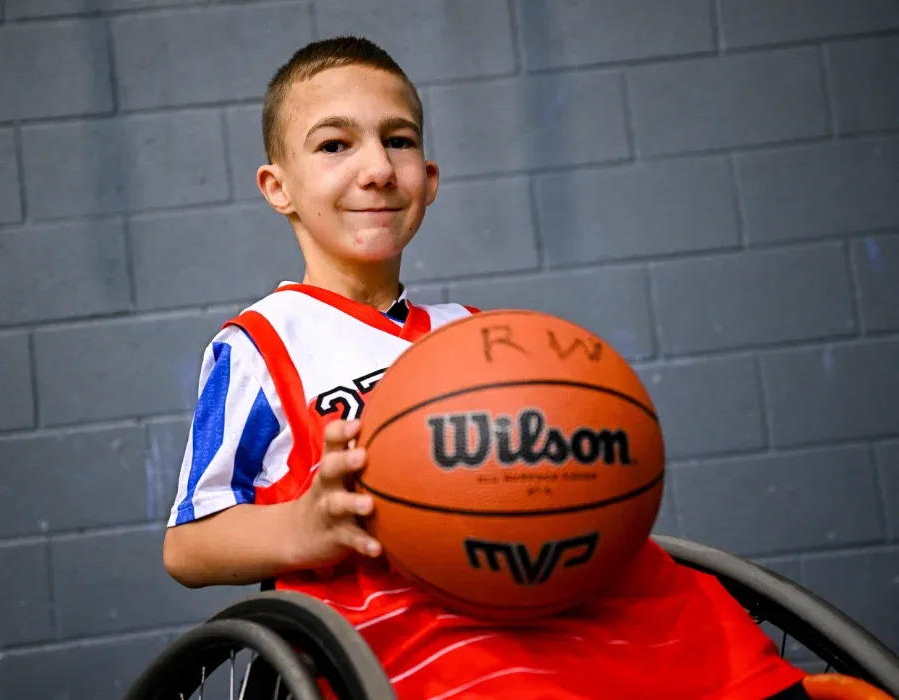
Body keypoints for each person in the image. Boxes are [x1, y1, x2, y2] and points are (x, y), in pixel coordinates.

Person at [163, 35, 810, 699]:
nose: (378, 168)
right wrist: (305, 526)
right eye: (335, 145)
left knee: (690, 603)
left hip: (539, 595)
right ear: (279, 187)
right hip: (408, 630)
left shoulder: (475, 335)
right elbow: (187, 547)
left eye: (399, 140)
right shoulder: (264, 341)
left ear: (430, 179)